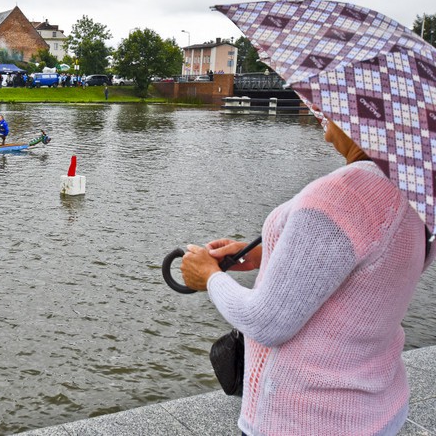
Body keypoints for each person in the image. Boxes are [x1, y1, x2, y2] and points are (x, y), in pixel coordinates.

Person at [179, 119, 433, 436]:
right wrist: (266, 252)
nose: (322, 124)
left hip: (303, 418)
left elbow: (266, 322)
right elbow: (373, 268)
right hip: (377, 409)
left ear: (361, 114)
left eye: (328, 113)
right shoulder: (417, 191)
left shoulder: (342, 194)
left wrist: (209, 276)